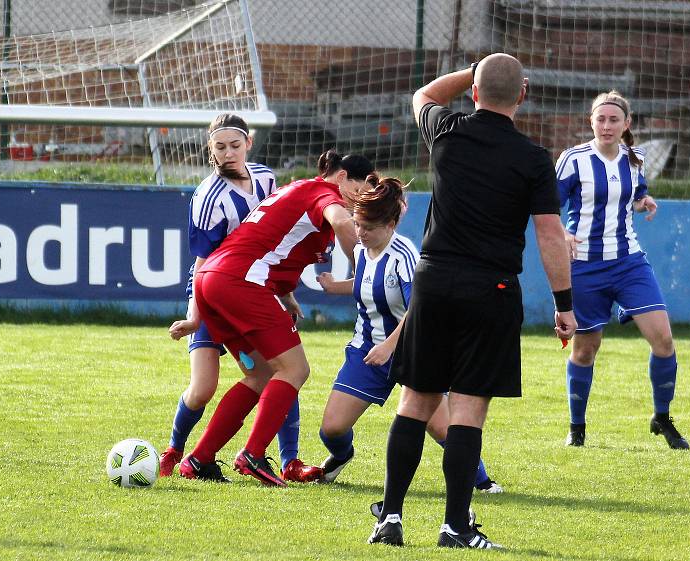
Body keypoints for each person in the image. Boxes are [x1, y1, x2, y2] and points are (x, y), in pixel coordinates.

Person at [367, 53, 576, 550]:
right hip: (492, 289)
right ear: (523, 94)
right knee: (467, 411)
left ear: (475, 93)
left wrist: (475, 69)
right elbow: (549, 234)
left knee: (415, 402)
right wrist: (564, 304)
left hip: (435, 282)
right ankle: (455, 527)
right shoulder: (533, 159)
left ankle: (390, 519)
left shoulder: (447, 131)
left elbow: (424, 95)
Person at [177, 148, 373, 487]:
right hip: (239, 281)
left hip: (214, 281)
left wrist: (286, 295)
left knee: (262, 375)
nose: (357, 202)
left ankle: (198, 459)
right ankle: (252, 453)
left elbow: (273, 245)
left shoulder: (300, 191)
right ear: (341, 178)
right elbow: (341, 223)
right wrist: (364, 266)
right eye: (358, 191)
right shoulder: (325, 194)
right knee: (296, 369)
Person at [316, 174, 502, 494]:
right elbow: (370, 286)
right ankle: (342, 456)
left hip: (414, 348)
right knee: (331, 429)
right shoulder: (362, 252)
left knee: (441, 428)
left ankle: (482, 482)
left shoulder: (405, 255)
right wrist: (335, 287)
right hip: (366, 349)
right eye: (357, 225)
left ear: (390, 224)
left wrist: (390, 346)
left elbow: (421, 306)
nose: (359, 233)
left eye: (368, 228)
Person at [162, 113, 322, 483]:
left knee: (281, 367)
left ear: (249, 143)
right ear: (210, 150)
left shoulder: (266, 178)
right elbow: (202, 261)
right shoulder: (208, 196)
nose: (228, 153)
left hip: (251, 291)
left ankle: (289, 460)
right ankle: (176, 450)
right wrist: (194, 318)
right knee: (203, 389)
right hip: (211, 297)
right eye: (220, 147)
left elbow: (273, 245)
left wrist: (286, 296)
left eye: (235, 145)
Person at [556, 91, 690, 450]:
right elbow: (548, 206)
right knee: (586, 348)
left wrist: (643, 200)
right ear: (591, 121)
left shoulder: (635, 159)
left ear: (626, 124)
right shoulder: (573, 160)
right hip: (584, 267)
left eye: (614, 120)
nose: (606, 125)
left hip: (630, 262)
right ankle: (577, 428)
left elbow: (635, 192)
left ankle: (662, 417)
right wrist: (564, 232)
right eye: (600, 119)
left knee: (663, 340)